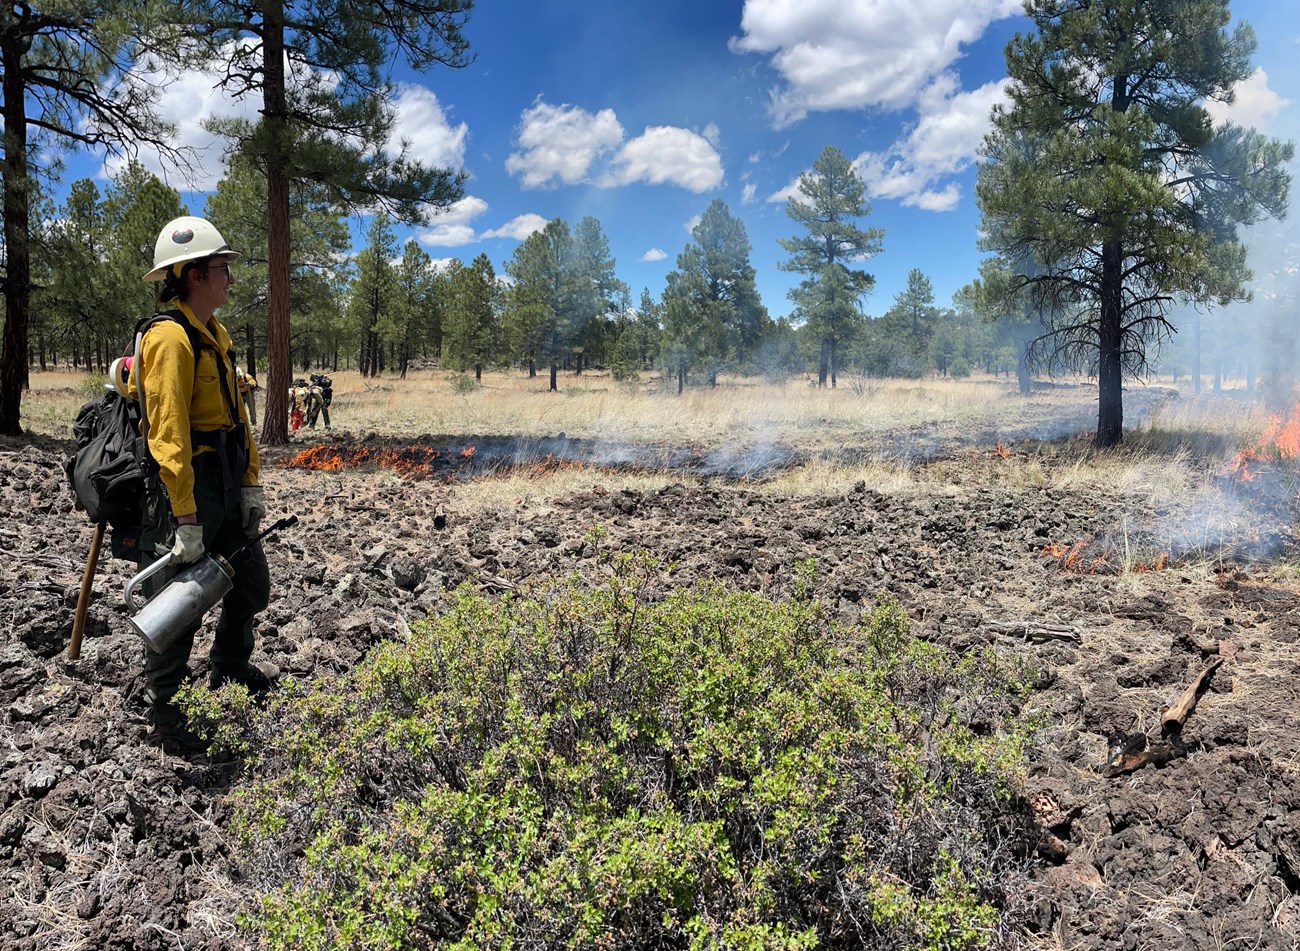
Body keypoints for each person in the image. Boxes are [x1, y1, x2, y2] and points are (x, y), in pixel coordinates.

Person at [130, 215, 272, 752]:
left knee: (250, 584)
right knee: (178, 607)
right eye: (221, 268)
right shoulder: (170, 340)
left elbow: (238, 417)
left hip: (227, 485)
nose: (230, 279)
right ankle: (165, 713)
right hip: (187, 495)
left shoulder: (218, 334)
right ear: (192, 275)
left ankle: (229, 667)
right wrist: (186, 520)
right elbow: (167, 438)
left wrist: (251, 484)